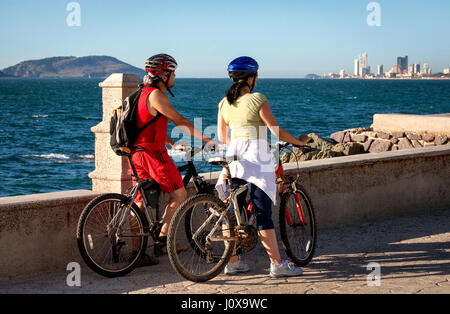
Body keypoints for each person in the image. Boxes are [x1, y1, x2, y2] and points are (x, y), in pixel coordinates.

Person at [216, 56, 311, 277]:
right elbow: (275, 131)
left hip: (234, 157)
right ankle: (277, 265)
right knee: (262, 212)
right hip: (257, 158)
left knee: (232, 212)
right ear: (251, 78)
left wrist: (239, 143)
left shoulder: (224, 102)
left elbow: (222, 136)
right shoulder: (257, 98)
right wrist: (299, 141)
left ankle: (233, 262)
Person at [132, 54, 217, 265]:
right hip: (153, 154)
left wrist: (171, 143)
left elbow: (147, 125)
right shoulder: (157, 96)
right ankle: (163, 240)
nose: (175, 76)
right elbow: (180, 120)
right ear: (163, 75)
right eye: (172, 72)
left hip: (137, 153)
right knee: (179, 194)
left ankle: (137, 254)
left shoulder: (141, 94)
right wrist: (206, 139)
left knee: (140, 203)